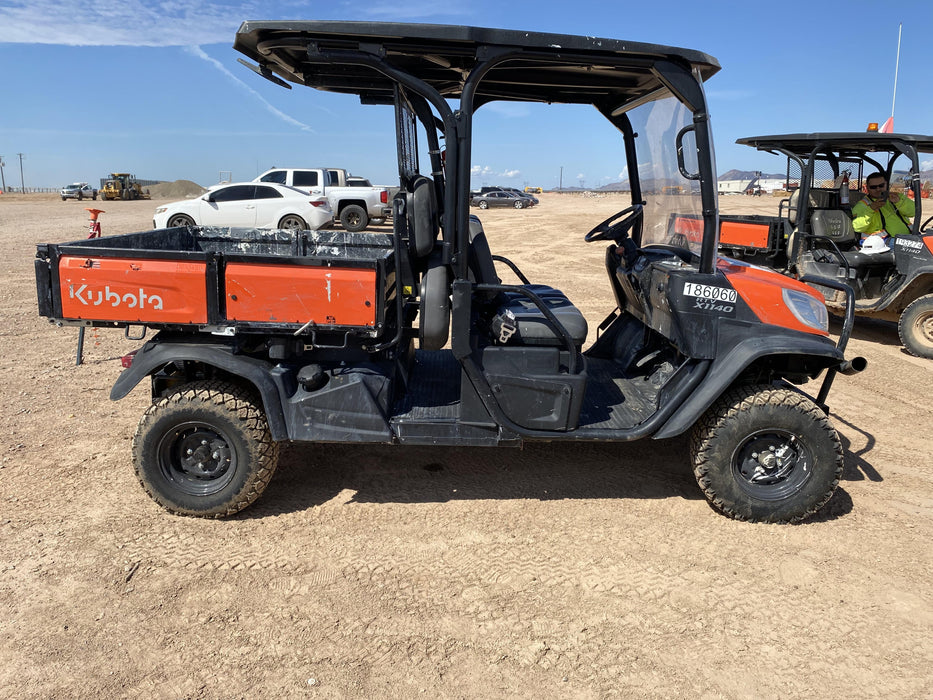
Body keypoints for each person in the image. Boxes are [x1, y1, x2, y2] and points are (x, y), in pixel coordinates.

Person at [851, 172, 915, 247]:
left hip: (908, 236)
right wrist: (871, 209)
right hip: (883, 243)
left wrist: (899, 202)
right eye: (873, 187)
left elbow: (914, 212)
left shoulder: (897, 197)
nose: (878, 189)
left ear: (886, 184)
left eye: (881, 185)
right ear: (867, 188)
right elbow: (857, 227)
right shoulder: (863, 205)